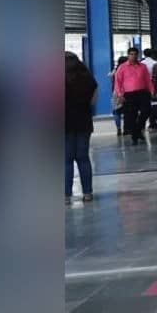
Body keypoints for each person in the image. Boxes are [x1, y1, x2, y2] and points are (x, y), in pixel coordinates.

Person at [65, 52, 97, 203]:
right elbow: (93, 101)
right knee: (83, 157)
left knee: (66, 160)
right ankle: (88, 193)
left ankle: (65, 195)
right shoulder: (88, 79)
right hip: (83, 121)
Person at [113, 47, 155, 145]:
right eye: (131, 54)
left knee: (147, 110)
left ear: (138, 55)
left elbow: (147, 80)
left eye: (135, 54)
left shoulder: (143, 66)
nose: (133, 56)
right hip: (129, 94)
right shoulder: (122, 67)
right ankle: (135, 136)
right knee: (131, 116)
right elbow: (117, 82)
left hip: (142, 92)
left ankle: (137, 129)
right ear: (128, 55)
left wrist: (152, 90)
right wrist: (120, 95)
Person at [141, 47, 157, 130]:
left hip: (144, 86)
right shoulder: (155, 63)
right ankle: (154, 121)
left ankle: (147, 123)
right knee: (155, 103)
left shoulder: (141, 63)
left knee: (146, 104)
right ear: (152, 54)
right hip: (154, 85)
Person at [108, 56, 126, 136]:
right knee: (128, 112)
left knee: (116, 112)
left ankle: (118, 128)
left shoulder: (116, 70)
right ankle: (127, 128)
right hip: (127, 92)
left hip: (116, 92)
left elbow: (109, 75)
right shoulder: (127, 69)